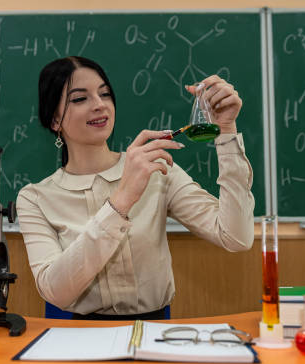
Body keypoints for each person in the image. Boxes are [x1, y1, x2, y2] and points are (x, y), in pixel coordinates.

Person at [16, 56, 254, 320]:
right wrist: (122, 200)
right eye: (80, 98)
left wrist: (227, 133)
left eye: (105, 94)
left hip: (154, 333)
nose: (99, 105)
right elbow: (55, 291)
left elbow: (236, 237)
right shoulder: (35, 198)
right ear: (54, 120)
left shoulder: (155, 170)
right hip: (78, 338)